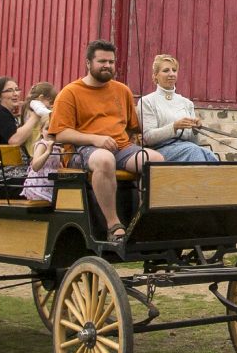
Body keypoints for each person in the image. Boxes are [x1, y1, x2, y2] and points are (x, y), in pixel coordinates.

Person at [47, 40, 162, 242]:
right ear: (88, 63)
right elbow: (60, 134)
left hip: (121, 147)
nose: (107, 65)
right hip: (81, 151)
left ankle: (144, 220)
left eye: (111, 61)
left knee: (154, 160)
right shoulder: (70, 93)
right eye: (102, 61)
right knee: (104, 160)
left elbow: (132, 129)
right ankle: (113, 225)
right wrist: (95, 139)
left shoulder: (122, 90)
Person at [139, 54, 221, 163]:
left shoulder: (187, 103)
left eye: (174, 70)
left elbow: (193, 141)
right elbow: (148, 137)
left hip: (188, 147)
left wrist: (195, 130)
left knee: (209, 154)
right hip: (160, 150)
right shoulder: (147, 101)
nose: (171, 74)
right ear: (155, 75)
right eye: (166, 70)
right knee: (194, 152)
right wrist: (174, 126)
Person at [0, 77, 41, 199]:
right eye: (9, 90)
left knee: (49, 181)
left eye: (17, 89)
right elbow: (15, 140)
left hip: (12, 178)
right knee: (50, 187)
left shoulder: (8, 115)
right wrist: (35, 117)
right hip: (1, 181)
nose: (15, 94)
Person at [20, 83, 60, 202]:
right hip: (38, 187)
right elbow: (36, 166)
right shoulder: (34, 104)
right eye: (51, 102)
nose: (52, 106)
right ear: (42, 98)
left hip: (47, 183)